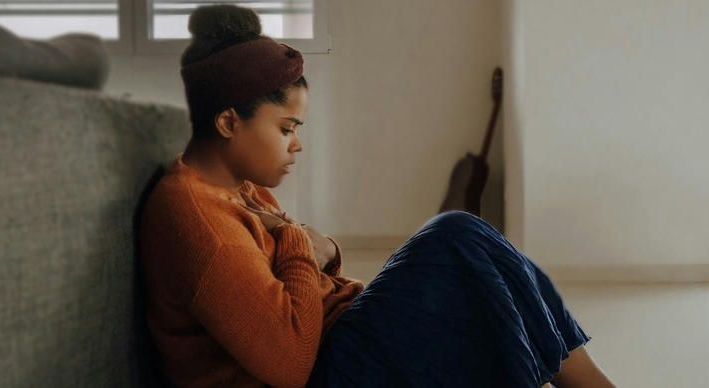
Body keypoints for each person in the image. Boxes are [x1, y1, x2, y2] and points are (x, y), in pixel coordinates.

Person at [137, 4, 615, 387]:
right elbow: (288, 367)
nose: (297, 143)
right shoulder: (199, 222)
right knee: (455, 235)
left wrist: (309, 248)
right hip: (322, 369)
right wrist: (301, 243)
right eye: (286, 129)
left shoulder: (240, 186)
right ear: (227, 122)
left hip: (340, 338)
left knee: (478, 269)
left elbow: (310, 271)